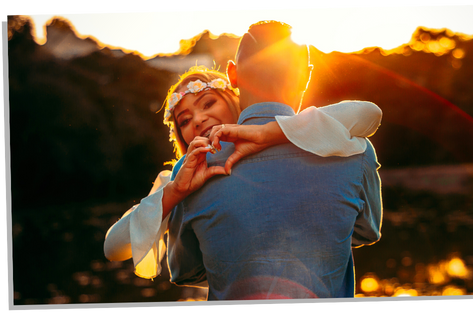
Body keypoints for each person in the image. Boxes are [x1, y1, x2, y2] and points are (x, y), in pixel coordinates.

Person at [162, 20, 383, 300]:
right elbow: (367, 231)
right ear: (306, 76)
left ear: (232, 74)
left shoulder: (192, 170)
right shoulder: (354, 148)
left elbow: (185, 271)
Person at [104, 65, 383, 283]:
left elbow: (367, 112)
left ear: (233, 99)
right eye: (185, 120)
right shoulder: (179, 180)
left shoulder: (293, 135)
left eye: (207, 103)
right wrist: (176, 192)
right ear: (181, 136)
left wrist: (267, 133)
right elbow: (113, 248)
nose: (198, 119)